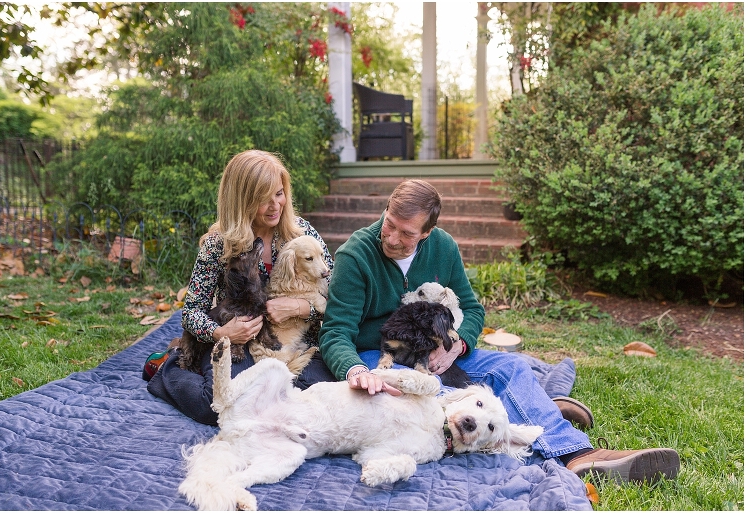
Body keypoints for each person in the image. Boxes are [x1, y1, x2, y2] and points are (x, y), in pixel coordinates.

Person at [319, 179, 680, 484]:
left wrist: (457, 345)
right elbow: (336, 332)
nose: (393, 238)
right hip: (382, 357)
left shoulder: (443, 247)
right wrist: (357, 372)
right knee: (434, 397)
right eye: (389, 224)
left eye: (407, 233)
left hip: (439, 350)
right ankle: (533, 409)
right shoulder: (357, 256)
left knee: (513, 368)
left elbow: (473, 309)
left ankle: (579, 454)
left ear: (427, 233)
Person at [145, 149, 335, 425]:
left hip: (295, 340)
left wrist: (301, 307)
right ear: (242, 200)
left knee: (307, 395)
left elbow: (338, 297)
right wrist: (222, 332)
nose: (275, 205)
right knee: (218, 405)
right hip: (241, 345)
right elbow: (191, 313)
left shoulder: (301, 233)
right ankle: (170, 366)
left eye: (279, 194)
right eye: (262, 198)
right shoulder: (218, 244)